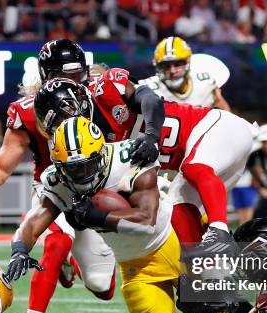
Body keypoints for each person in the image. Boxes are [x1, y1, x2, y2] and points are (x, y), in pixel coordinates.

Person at [9, 116, 231, 313]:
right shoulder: (58, 179)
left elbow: (147, 221)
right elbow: (34, 220)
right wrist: (19, 248)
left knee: (223, 308)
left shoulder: (128, 157)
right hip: (135, 263)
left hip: (172, 239)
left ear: (102, 153)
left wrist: (98, 217)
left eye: (86, 165)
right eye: (72, 169)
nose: (81, 175)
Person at [0, 40, 116, 313]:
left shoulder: (103, 97)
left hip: (98, 188)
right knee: (58, 238)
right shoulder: (26, 112)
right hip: (53, 188)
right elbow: (1, 171)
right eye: (63, 74)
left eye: (77, 74)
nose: (72, 82)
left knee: (103, 288)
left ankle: (70, 262)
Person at [35, 42, 251, 259]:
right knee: (179, 209)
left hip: (212, 126)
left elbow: (151, 99)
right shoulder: (74, 135)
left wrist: (151, 136)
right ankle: (201, 280)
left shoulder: (106, 87)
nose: (69, 82)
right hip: (182, 159)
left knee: (194, 168)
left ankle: (220, 232)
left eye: (74, 74)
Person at [139, 36, 230, 110]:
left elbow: (226, 114)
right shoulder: (150, 88)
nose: (172, 71)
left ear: (187, 63)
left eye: (178, 64)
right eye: (166, 66)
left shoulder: (205, 83)